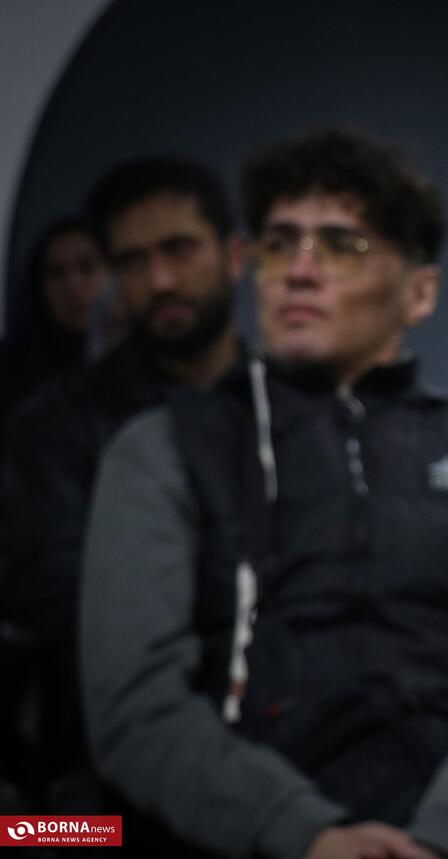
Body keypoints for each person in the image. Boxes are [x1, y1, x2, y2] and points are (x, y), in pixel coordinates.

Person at [79, 129, 448, 859]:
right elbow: (135, 703)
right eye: (279, 245)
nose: (299, 272)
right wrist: (305, 833)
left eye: (342, 246)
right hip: (251, 836)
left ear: (419, 292)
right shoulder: (165, 446)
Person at [0, 157, 244, 805]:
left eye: (179, 249)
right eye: (132, 261)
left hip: (297, 762)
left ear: (234, 256)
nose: (159, 280)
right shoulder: (57, 424)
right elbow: (44, 590)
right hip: (101, 788)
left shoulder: (294, 412)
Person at [0, 218, 111, 437]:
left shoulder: (143, 362)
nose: (73, 285)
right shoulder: (10, 372)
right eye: (56, 273)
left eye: (87, 267)